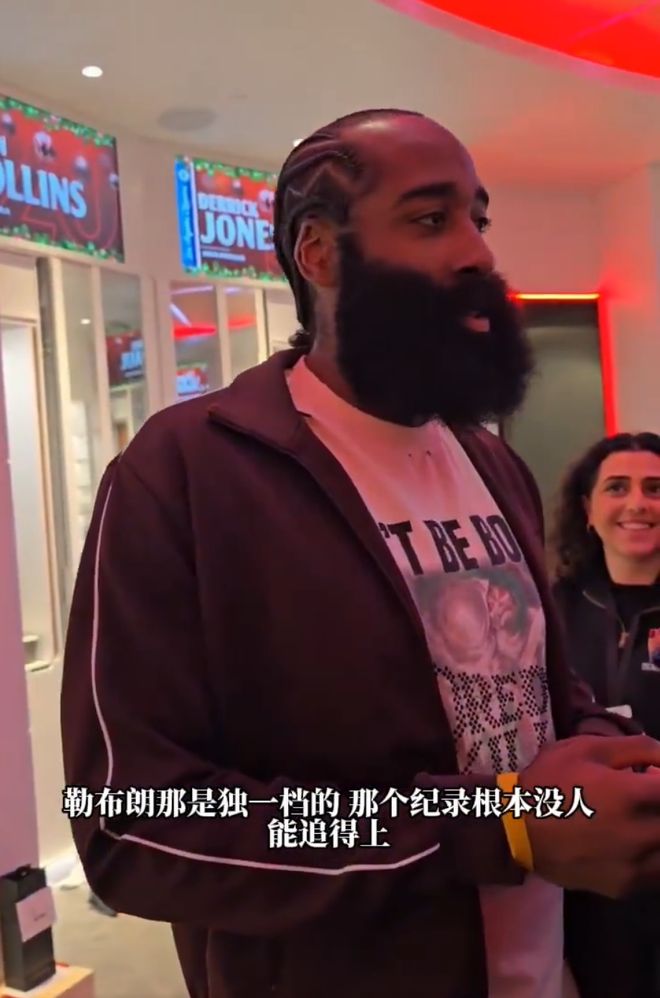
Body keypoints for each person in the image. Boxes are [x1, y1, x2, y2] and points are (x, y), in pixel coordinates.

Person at [60, 108, 660, 998]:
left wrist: (610, 753)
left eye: (478, 219)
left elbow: (533, 695)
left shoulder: (490, 460)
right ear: (319, 254)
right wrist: (498, 830)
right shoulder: (185, 473)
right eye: (431, 219)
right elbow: (135, 821)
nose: (478, 254)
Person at [551, 431, 660, 997]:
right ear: (588, 510)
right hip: (583, 874)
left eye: (656, 488)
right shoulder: (545, 611)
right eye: (617, 487)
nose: (638, 503)